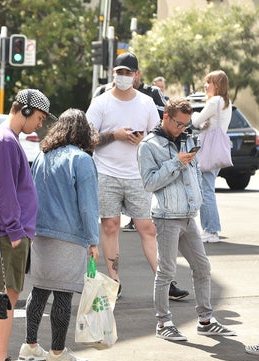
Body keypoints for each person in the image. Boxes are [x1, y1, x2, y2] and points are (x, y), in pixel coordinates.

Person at [86, 52, 188, 301]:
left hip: (138, 176)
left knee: (148, 228)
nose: (122, 76)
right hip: (106, 174)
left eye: (127, 73)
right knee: (110, 227)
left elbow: (160, 137)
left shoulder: (145, 103)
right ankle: (114, 281)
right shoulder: (101, 103)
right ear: (113, 73)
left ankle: (166, 280)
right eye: (119, 72)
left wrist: (143, 141)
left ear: (136, 75)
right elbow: (87, 139)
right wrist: (114, 135)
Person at [138, 97, 236, 341]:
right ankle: (163, 323)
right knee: (166, 271)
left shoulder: (187, 139)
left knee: (202, 266)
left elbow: (194, 177)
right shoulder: (148, 145)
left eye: (186, 124)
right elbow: (149, 183)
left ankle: (205, 320)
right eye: (179, 124)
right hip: (166, 217)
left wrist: (197, 203)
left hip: (188, 216)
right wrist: (175, 163)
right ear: (166, 118)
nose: (183, 128)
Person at [0, 88, 52, 361]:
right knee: (7, 297)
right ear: (23, 110)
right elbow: (5, 190)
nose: (40, 124)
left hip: (4, 230)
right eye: (39, 117)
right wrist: (15, 228)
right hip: (9, 232)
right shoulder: (7, 141)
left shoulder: (2, 137)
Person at [19, 109, 99, 361]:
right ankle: (57, 352)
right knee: (63, 294)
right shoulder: (82, 160)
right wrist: (93, 239)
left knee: (39, 290)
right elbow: (88, 205)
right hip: (70, 235)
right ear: (84, 131)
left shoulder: (42, 156)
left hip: (40, 233)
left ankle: (30, 346)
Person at [191, 70, 231, 244]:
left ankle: (211, 230)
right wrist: (203, 124)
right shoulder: (226, 103)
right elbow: (205, 123)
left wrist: (195, 117)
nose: (206, 86)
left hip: (209, 150)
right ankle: (210, 229)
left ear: (218, 84)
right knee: (208, 190)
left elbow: (195, 121)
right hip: (218, 149)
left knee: (206, 191)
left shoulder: (214, 101)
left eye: (209, 82)